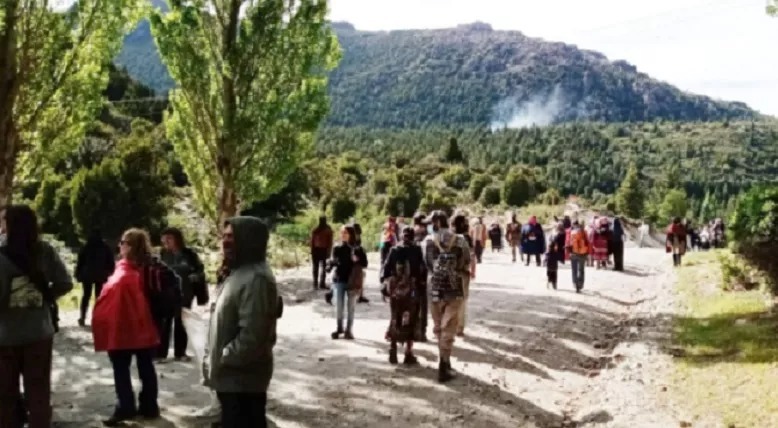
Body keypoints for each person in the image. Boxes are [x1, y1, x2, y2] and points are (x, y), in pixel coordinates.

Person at [0, 205, 73, 428]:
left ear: (9, 224)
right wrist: (43, 296)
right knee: (39, 393)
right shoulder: (44, 250)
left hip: (4, 336)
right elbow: (66, 283)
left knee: (4, 395)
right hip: (39, 332)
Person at [208, 216, 280, 427]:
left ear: (248, 240)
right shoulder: (239, 272)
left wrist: (224, 357)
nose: (226, 241)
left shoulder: (256, 278)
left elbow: (253, 336)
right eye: (224, 236)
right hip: (232, 379)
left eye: (232, 236)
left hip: (243, 381)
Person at [92, 228, 161, 425]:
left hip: (123, 327)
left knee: (122, 369)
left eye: (123, 242)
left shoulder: (126, 271)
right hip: (144, 327)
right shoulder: (147, 268)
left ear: (130, 246)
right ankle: (149, 406)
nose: (120, 245)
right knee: (145, 367)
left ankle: (126, 407)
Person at [424, 211, 471, 383]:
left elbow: (427, 264)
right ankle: (444, 364)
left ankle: (444, 361)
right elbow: (466, 260)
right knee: (449, 327)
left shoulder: (428, 241)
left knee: (438, 326)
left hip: (434, 286)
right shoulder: (460, 240)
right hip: (454, 287)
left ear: (436, 223)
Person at [159, 227, 206, 361]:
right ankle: (161, 353)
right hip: (166, 293)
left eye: (169, 238)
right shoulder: (163, 254)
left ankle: (180, 353)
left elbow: (200, 270)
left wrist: (195, 276)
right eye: (164, 239)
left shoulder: (189, 254)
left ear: (177, 239)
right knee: (164, 323)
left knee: (181, 322)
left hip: (185, 292)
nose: (166, 242)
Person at [381, 227, 425, 365]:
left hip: (396, 292)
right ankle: (408, 353)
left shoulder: (394, 250)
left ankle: (393, 348)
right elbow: (422, 270)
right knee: (411, 320)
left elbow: (386, 270)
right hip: (412, 292)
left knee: (396, 317)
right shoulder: (416, 250)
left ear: (401, 236)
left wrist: (385, 286)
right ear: (413, 236)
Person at [328, 225, 368, 340]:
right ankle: (339, 327)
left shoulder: (358, 249)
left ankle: (348, 330)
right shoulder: (337, 248)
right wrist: (330, 264)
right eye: (342, 232)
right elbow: (333, 262)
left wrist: (357, 259)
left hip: (353, 281)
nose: (343, 235)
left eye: (345, 233)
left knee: (351, 307)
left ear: (351, 234)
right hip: (339, 279)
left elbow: (365, 264)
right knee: (339, 306)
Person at [74, 228, 116, 327]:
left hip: (87, 274)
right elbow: (110, 261)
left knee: (86, 296)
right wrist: (109, 272)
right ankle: (97, 317)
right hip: (101, 275)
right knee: (99, 297)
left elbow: (80, 261)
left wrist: (78, 273)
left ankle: (82, 317)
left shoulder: (86, 246)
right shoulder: (105, 247)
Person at [453, 214, 476, 337]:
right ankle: (459, 327)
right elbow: (472, 256)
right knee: (462, 300)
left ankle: (450, 325)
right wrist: (473, 270)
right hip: (463, 272)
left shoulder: (449, 236)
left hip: (450, 272)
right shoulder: (466, 238)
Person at [310, 216, 334, 290]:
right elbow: (330, 242)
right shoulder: (328, 230)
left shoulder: (315, 230)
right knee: (323, 267)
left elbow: (312, 241)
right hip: (323, 250)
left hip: (316, 250)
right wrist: (329, 252)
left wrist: (311, 250)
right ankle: (321, 284)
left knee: (316, 267)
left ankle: (315, 284)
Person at [566, 220, 590, 293]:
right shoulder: (584, 231)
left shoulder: (572, 232)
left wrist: (568, 252)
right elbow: (588, 242)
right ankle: (580, 284)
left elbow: (569, 243)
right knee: (581, 270)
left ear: (573, 225)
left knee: (574, 269)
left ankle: (575, 283)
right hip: (583, 253)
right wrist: (587, 252)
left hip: (574, 253)